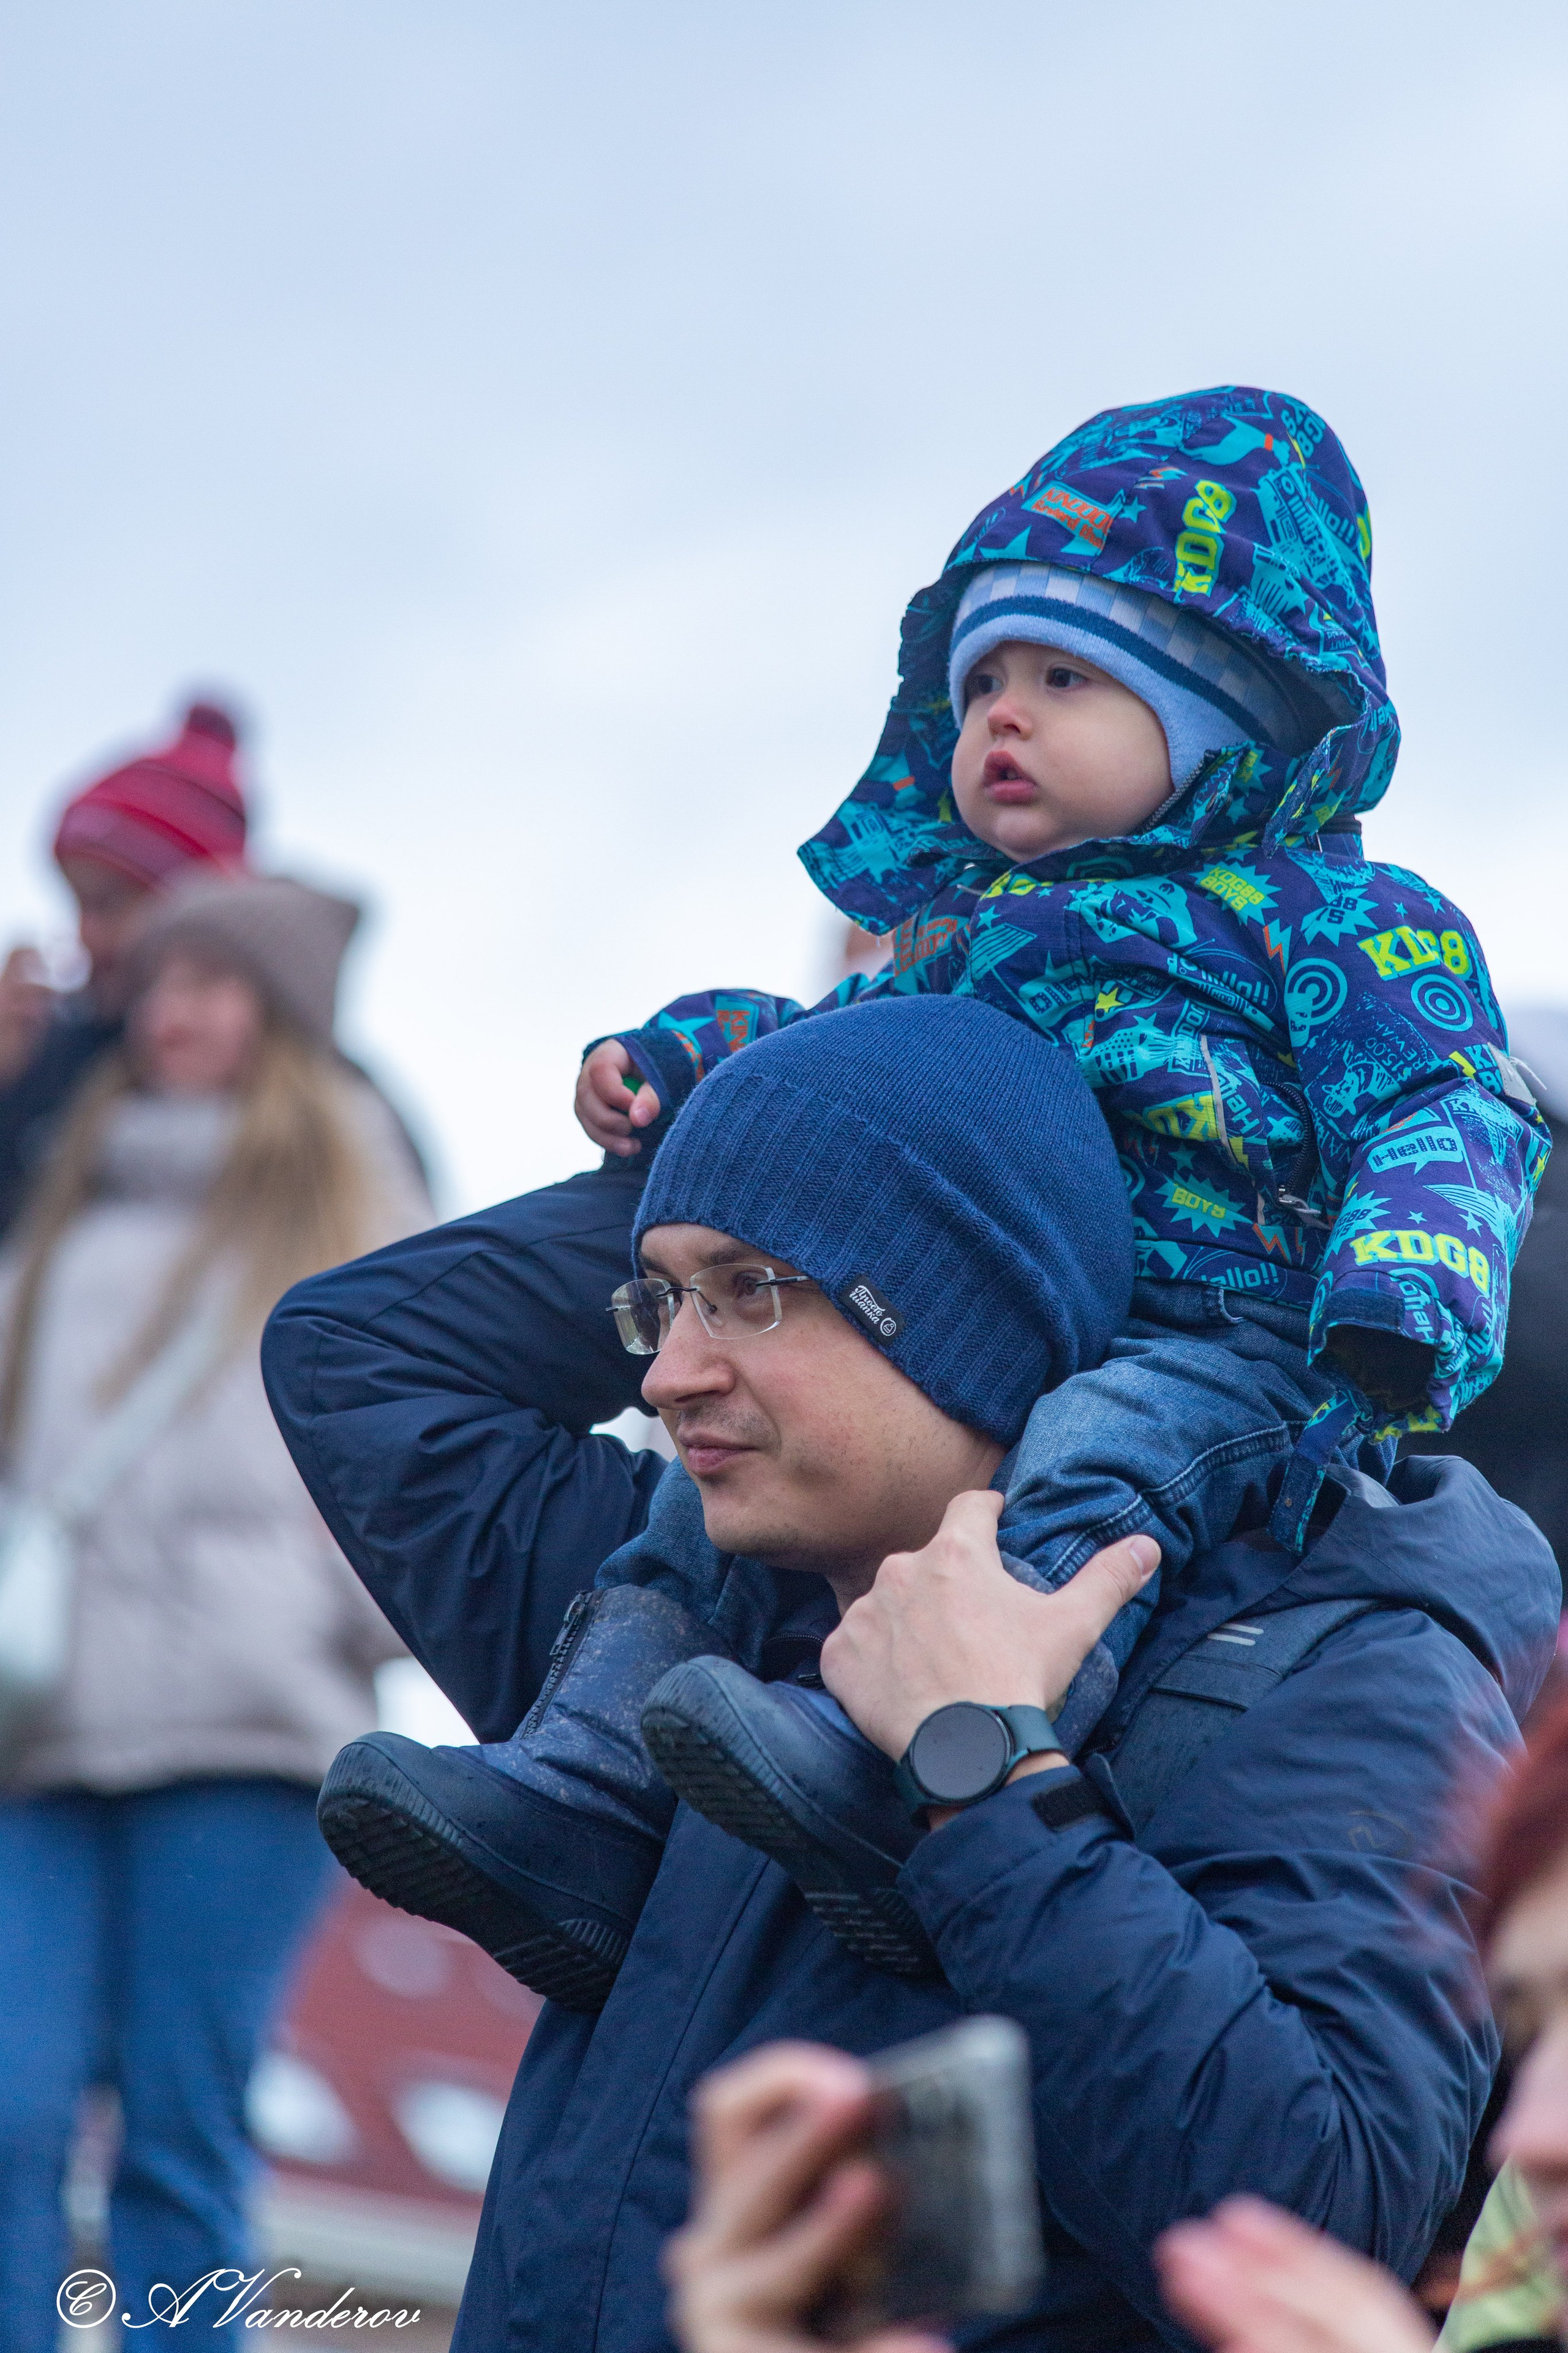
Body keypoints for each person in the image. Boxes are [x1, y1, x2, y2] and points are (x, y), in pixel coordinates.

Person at [309, 383, 1550, 1982]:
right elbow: (844, 1050)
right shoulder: (966, 934)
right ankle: (582, 1790)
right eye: (977, 690)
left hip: (1216, 1336)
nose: (1003, 721)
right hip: (977, 1311)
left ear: (1225, 715)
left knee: (1094, 1468)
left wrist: (1405, 1290)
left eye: (1066, 678)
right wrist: (688, 1059)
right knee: (715, 1486)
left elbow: (1444, 1098)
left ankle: (908, 1773)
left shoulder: (1329, 919)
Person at [262, 994, 1560, 2353]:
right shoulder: (676, 1609)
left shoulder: (1329, 1645)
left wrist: (993, 1778)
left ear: (969, 1311)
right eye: (664, 1301)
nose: (667, 1377)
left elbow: (1324, 2225)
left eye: (753, 1291)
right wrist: (766, 1117)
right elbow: (357, 1355)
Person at [0, 872, 431, 2348]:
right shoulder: (54, 1212)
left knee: (183, 2117)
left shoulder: (356, 1204)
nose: (176, 1009)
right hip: (36, 1726)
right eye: (159, 980)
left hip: (250, 1721)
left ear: (281, 1013)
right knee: (9, 2105)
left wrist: (359, 1620)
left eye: (217, 980)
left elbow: (423, 1451)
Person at [0, 698, 249, 1238]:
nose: (84, 934)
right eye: (76, 904)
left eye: (109, 904)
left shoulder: (316, 1094)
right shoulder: (54, 1061)